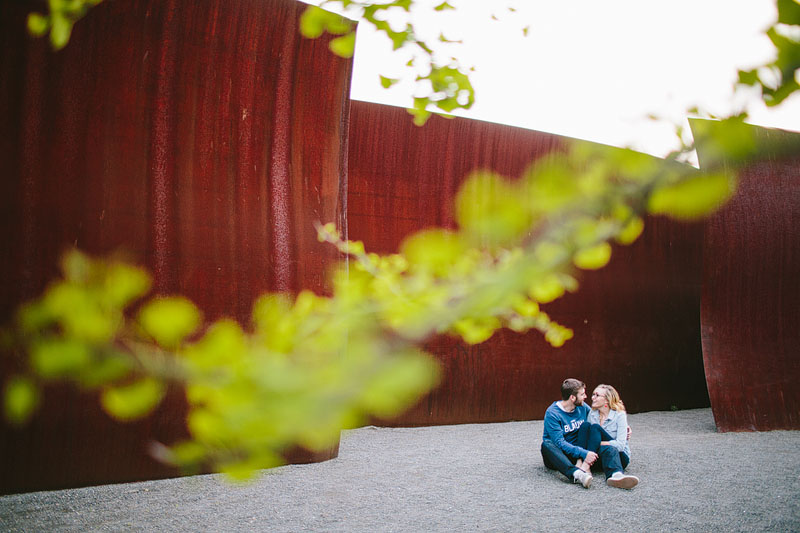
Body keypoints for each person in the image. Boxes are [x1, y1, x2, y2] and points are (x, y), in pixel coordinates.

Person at [541, 378, 639, 489]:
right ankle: (576, 474)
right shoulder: (553, 413)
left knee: (589, 428)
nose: (587, 397)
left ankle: (615, 475)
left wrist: (625, 427)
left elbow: (597, 425)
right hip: (561, 454)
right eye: (582, 394)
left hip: (582, 451)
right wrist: (583, 453)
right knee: (547, 444)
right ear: (573, 398)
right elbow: (560, 443)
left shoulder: (582, 407)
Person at [574, 384, 639, 489]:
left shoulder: (619, 415)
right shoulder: (592, 413)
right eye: (593, 394)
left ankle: (616, 475)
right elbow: (588, 436)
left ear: (607, 400)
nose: (592, 397)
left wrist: (597, 442)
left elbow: (621, 445)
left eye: (597, 395)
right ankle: (580, 463)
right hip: (597, 456)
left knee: (603, 440)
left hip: (618, 455)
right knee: (586, 426)